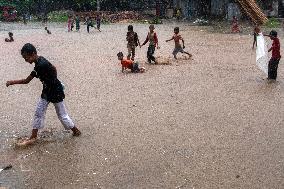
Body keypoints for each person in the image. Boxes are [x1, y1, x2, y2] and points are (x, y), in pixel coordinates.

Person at [6, 43, 81, 146]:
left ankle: (76, 131)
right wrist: (12, 82)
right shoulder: (38, 63)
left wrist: (53, 81)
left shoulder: (41, 65)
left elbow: (52, 69)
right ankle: (33, 137)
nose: (25, 60)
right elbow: (28, 80)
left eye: (26, 57)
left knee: (62, 115)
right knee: (39, 112)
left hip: (55, 91)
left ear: (32, 54)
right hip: (47, 90)